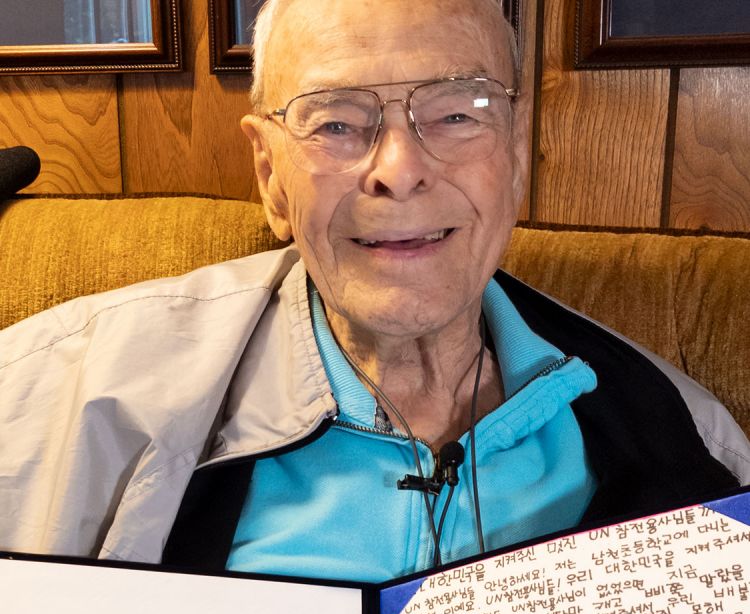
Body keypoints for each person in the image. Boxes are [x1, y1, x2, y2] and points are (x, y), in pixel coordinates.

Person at [0, 0, 748, 581]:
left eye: (456, 113)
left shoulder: (692, 443)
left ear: (516, 152)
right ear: (270, 175)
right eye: (334, 123)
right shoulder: (60, 394)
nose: (399, 169)